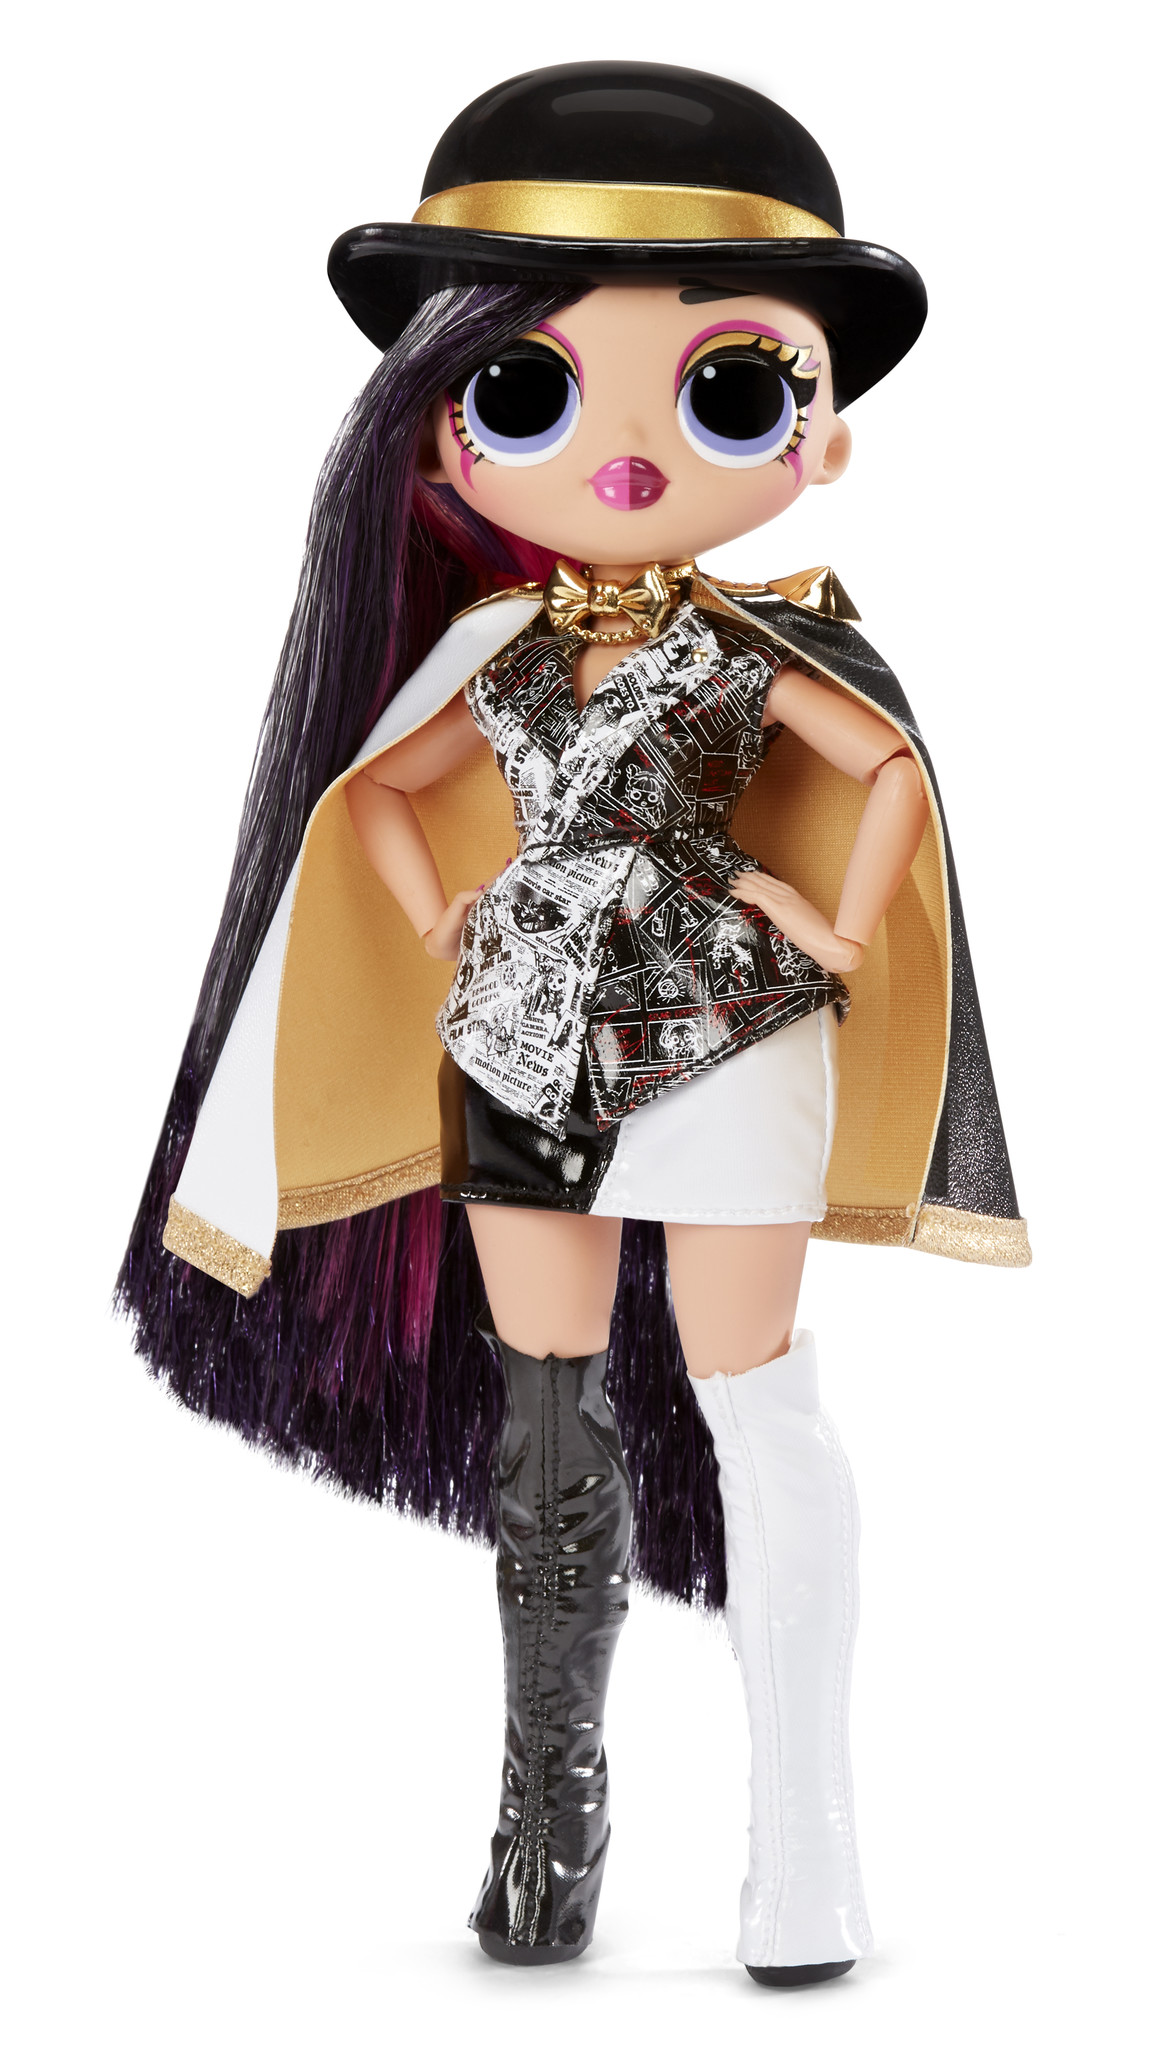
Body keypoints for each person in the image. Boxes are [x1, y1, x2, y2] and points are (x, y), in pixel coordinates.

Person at [118, 61, 1029, 1986]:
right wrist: (447, 917)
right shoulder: (495, 656)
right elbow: (372, 793)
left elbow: (885, 773)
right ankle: (550, 1816)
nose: (618, 454)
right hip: (524, 1037)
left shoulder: (761, 648)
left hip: (729, 1028)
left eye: (725, 389)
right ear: (441, 428)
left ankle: (805, 1839)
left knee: (756, 1396)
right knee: (550, 1415)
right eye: (530, 392)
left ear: (818, 436)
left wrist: (828, 922)